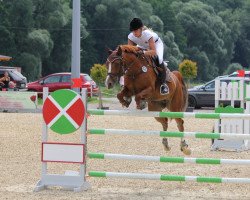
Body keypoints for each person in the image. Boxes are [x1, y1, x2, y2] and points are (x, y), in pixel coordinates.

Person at [128, 17, 170, 95]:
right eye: (133, 31)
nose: (134, 33)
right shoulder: (131, 36)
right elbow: (130, 50)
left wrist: (143, 53)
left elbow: (153, 51)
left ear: (141, 29)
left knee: (159, 59)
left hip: (156, 45)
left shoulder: (148, 35)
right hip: (143, 46)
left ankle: (163, 84)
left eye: (136, 30)